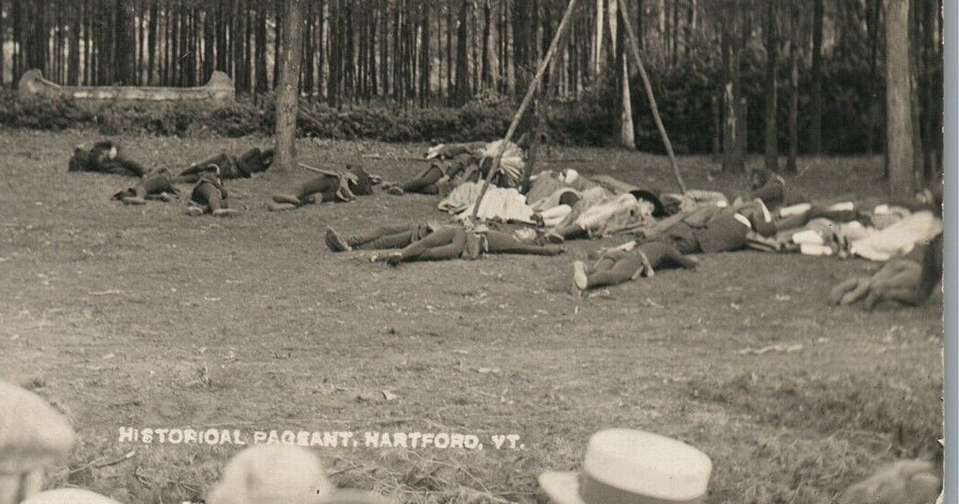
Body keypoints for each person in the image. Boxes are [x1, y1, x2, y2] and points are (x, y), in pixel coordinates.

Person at [326, 216, 562, 264]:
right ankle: (347, 241)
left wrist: (552, 249)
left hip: (453, 238)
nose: (524, 232)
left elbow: (534, 251)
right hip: (435, 229)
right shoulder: (498, 230)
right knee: (384, 231)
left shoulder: (514, 242)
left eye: (529, 234)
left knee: (389, 240)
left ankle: (350, 248)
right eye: (527, 231)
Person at [829, 232, 942, 308]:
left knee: (875, 283)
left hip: (908, 263)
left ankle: (866, 292)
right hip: (914, 266)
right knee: (878, 285)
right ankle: (877, 294)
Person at [572, 237, 699, 291]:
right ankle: (588, 282)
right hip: (634, 259)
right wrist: (694, 261)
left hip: (619, 253)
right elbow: (686, 263)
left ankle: (584, 270)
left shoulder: (643, 244)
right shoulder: (666, 248)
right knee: (615, 275)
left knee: (600, 269)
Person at [271, 164, 374, 209]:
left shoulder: (358, 169)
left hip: (332, 180)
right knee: (310, 199)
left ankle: (294, 196)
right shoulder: (366, 189)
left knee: (307, 187)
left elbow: (348, 164)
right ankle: (285, 206)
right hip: (335, 195)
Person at [175, 147, 274, 182]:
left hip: (229, 172)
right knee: (199, 167)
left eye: (270, 161)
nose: (268, 161)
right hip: (225, 160)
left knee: (202, 178)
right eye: (268, 158)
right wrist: (250, 174)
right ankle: (178, 175)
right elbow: (240, 161)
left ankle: (174, 180)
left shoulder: (262, 168)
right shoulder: (256, 152)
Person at [67, 142, 145, 177]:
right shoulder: (90, 165)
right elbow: (73, 168)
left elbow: (113, 142)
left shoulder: (97, 146)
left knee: (127, 162)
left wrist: (113, 149)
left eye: (81, 152)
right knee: (124, 172)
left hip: (116, 154)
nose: (83, 154)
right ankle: (146, 175)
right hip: (107, 165)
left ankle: (144, 173)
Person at [111, 167, 178, 205]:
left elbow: (163, 168)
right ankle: (160, 197)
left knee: (141, 188)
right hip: (158, 187)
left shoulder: (158, 174)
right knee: (142, 191)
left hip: (161, 180)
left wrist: (149, 174)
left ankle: (139, 198)